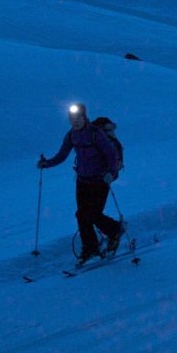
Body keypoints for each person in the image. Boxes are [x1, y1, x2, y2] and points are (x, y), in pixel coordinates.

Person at [37, 103, 123, 263]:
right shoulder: (72, 135)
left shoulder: (95, 134)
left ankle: (115, 230)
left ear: (84, 117)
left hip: (100, 180)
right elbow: (62, 155)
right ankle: (91, 247)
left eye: (78, 118)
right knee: (81, 215)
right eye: (71, 119)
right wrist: (46, 164)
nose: (75, 121)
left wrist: (112, 173)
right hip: (82, 181)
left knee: (92, 214)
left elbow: (111, 154)